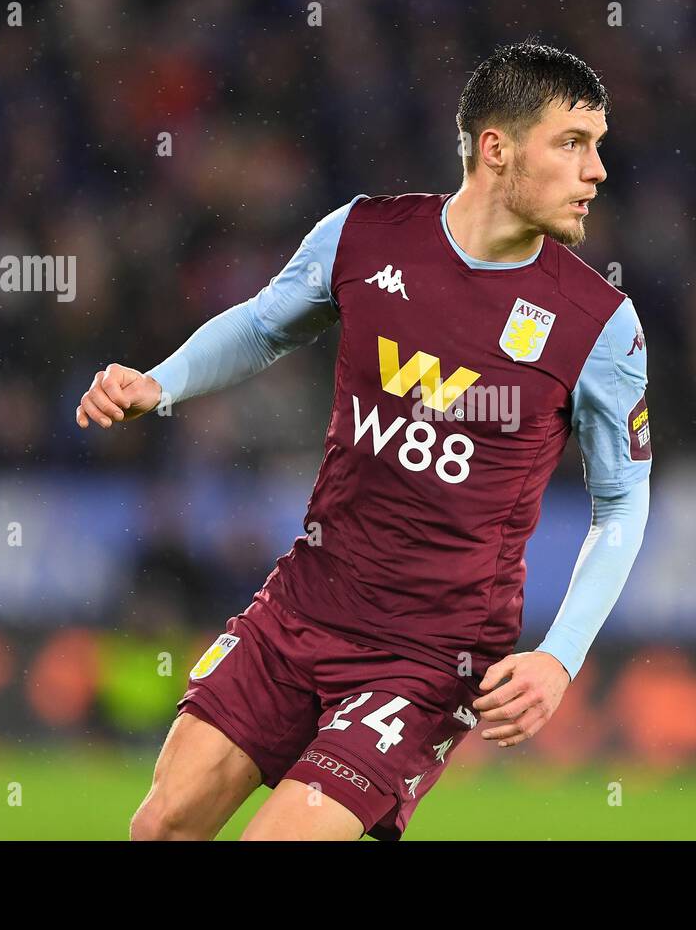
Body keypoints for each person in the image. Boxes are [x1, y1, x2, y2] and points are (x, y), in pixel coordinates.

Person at [75, 42, 652, 840]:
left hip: (424, 659)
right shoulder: (364, 235)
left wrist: (560, 655)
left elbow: (621, 503)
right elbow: (264, 324)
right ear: (497, 148)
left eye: (598, 146)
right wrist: (161, 383)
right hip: (303, 603)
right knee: (161, 827)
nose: (597, 171)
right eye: (572, 143)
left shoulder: (599, 325)